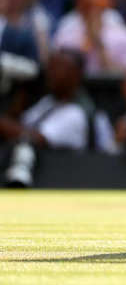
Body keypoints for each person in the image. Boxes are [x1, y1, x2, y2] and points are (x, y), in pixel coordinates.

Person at [1, 48, 117, 187]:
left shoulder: (76, 113)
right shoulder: (49, 101)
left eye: (58, 69)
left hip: (66, 183)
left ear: (76, 75)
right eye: (50, 67)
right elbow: (20, 124)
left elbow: (34, 138)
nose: (51, 73)